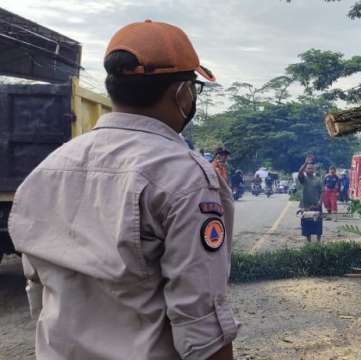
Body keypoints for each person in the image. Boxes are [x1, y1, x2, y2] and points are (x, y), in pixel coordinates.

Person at [8, 20, 237, 359]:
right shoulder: (185, 176)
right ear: (180, 93)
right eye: (193, 87)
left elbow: (39, 293)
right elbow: (202, 326)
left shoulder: (47, 170)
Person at [298, 159, 324, 241]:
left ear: (314, 170)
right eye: (308, 168)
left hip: (316, 205)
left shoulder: (318, 179)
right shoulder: (303, 179)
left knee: (318, 224)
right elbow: (300, 173)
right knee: (307, 224)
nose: (310, 170)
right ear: (305, 169)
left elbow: (322, 192)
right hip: (305, 206)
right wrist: (305, 163)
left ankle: (318, 242)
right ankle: (308, 242)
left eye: (311, 168)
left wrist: (320, 201)